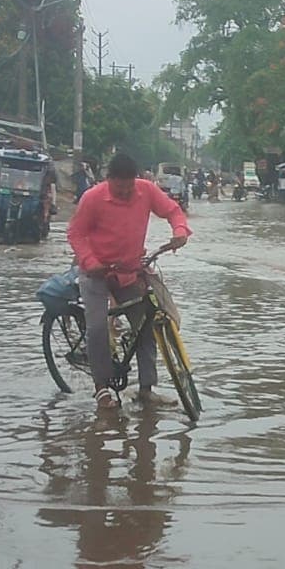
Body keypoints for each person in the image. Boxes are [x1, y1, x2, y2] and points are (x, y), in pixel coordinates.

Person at [67, 153, 191, 411]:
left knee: (146, 324)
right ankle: (101, 388)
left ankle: (146, 389)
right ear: (108, 180)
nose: (125, 192)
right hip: (96, 272)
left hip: (130, 270)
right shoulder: (92, 198)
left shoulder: (146, 191)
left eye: (129, 186)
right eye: (119, 187)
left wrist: (180, 232)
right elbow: (76, 234)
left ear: (136, 181)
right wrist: (91, 262)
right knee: (98, 329)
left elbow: (173, 210)